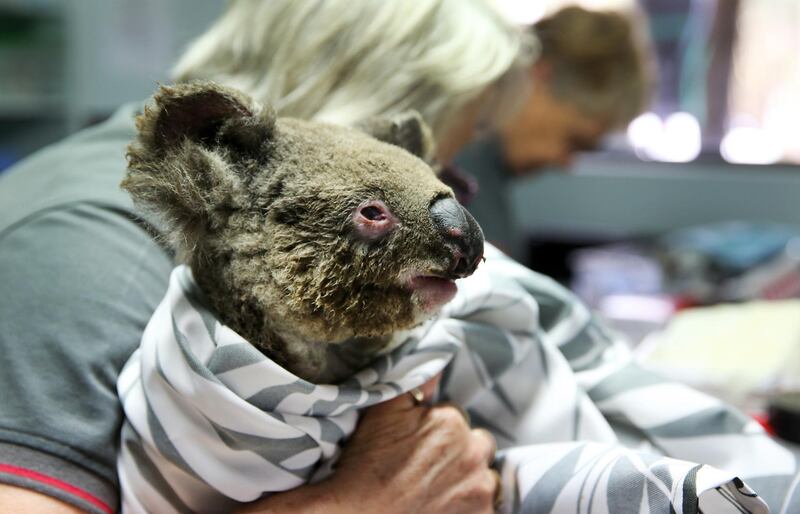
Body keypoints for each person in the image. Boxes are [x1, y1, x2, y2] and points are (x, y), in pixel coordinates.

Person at [0, 1, 529, 513]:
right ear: (362, 105)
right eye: (437, 156)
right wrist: (360, 504)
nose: (445, 175)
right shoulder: (98, 252)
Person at [455, 6, 651, 260]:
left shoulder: (485, 172)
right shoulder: (461, 164)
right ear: (539, 75)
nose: (565, 163)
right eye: (573, 141)